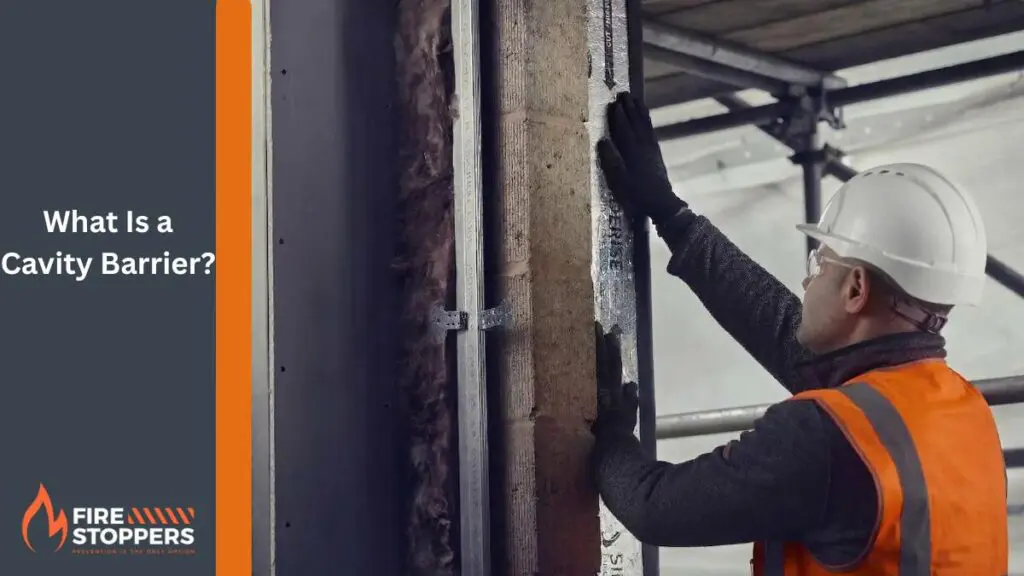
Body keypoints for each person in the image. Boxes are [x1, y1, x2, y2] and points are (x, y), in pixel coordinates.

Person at [590, 92, 1008, 575]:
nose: (808, 281)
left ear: (856, 287)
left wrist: (611, 435)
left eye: (819, 262)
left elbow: (655, 507)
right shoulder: (961, 409)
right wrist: (672, 216)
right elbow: (786, 333)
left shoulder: (824, 435)